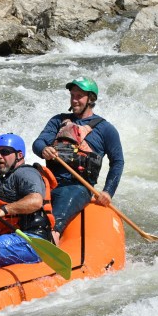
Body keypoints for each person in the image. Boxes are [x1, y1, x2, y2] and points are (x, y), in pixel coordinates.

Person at [32, 77, 124, 243]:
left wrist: (108, 191)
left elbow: (117, 162)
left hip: (78, 186)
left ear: (91, 99)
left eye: (79, 96)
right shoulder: (58, 121)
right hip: (49, 183)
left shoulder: (106, 129)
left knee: (54, 220)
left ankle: (52, 236)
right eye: (72, 95)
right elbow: (38, 143)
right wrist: (43, 149)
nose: (74, 100)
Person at [0, 133, 57, 268]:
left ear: (20, 155)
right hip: (12, 238)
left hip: (33, 240)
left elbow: (36, 201)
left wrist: (3, 210)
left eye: (5, 152)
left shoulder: (26, 173)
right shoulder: (3, 178)